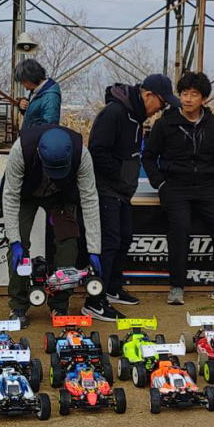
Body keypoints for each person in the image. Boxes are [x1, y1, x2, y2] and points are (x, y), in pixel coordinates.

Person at [144, 71, 214, 307]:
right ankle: (177, 287)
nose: (188, 99)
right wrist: (161, 183)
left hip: (208, 187)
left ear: (204, 99)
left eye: (194, 94)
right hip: (175, 187)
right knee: (179, 228)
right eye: (184, 94)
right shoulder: (165, 123)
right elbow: (149, 157)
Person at [85, 73, 177, 319]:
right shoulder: (114, 113)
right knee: (109, 243)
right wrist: (118, 176)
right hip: (106, 190)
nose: (160, 109)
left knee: (124, 239)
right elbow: (97, 151)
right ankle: (95, 300)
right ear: (148, 95)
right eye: (161, 103)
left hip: (123, 192)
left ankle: (112, 288)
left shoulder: (136, 117)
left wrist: (126, 181)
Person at [2, 124, 102, 325]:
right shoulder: (21, 150)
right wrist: (14, 240)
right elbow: (10, 196)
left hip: (61, 195)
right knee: (18, 246)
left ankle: (60, 304)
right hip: (25, 195)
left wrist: (94, 249)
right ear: (40, 153)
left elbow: (90, 199)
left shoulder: (81, 155)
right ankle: (19, 305)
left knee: (68, 243)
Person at [14, 58, 61, 128]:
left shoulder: (51, 97)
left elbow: (49, 127)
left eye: (22, 82)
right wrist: (23, 107)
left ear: (28, 79)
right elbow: (34, 116)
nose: (23, 86)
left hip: (36, 135)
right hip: (31, 134)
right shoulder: (37, 91)